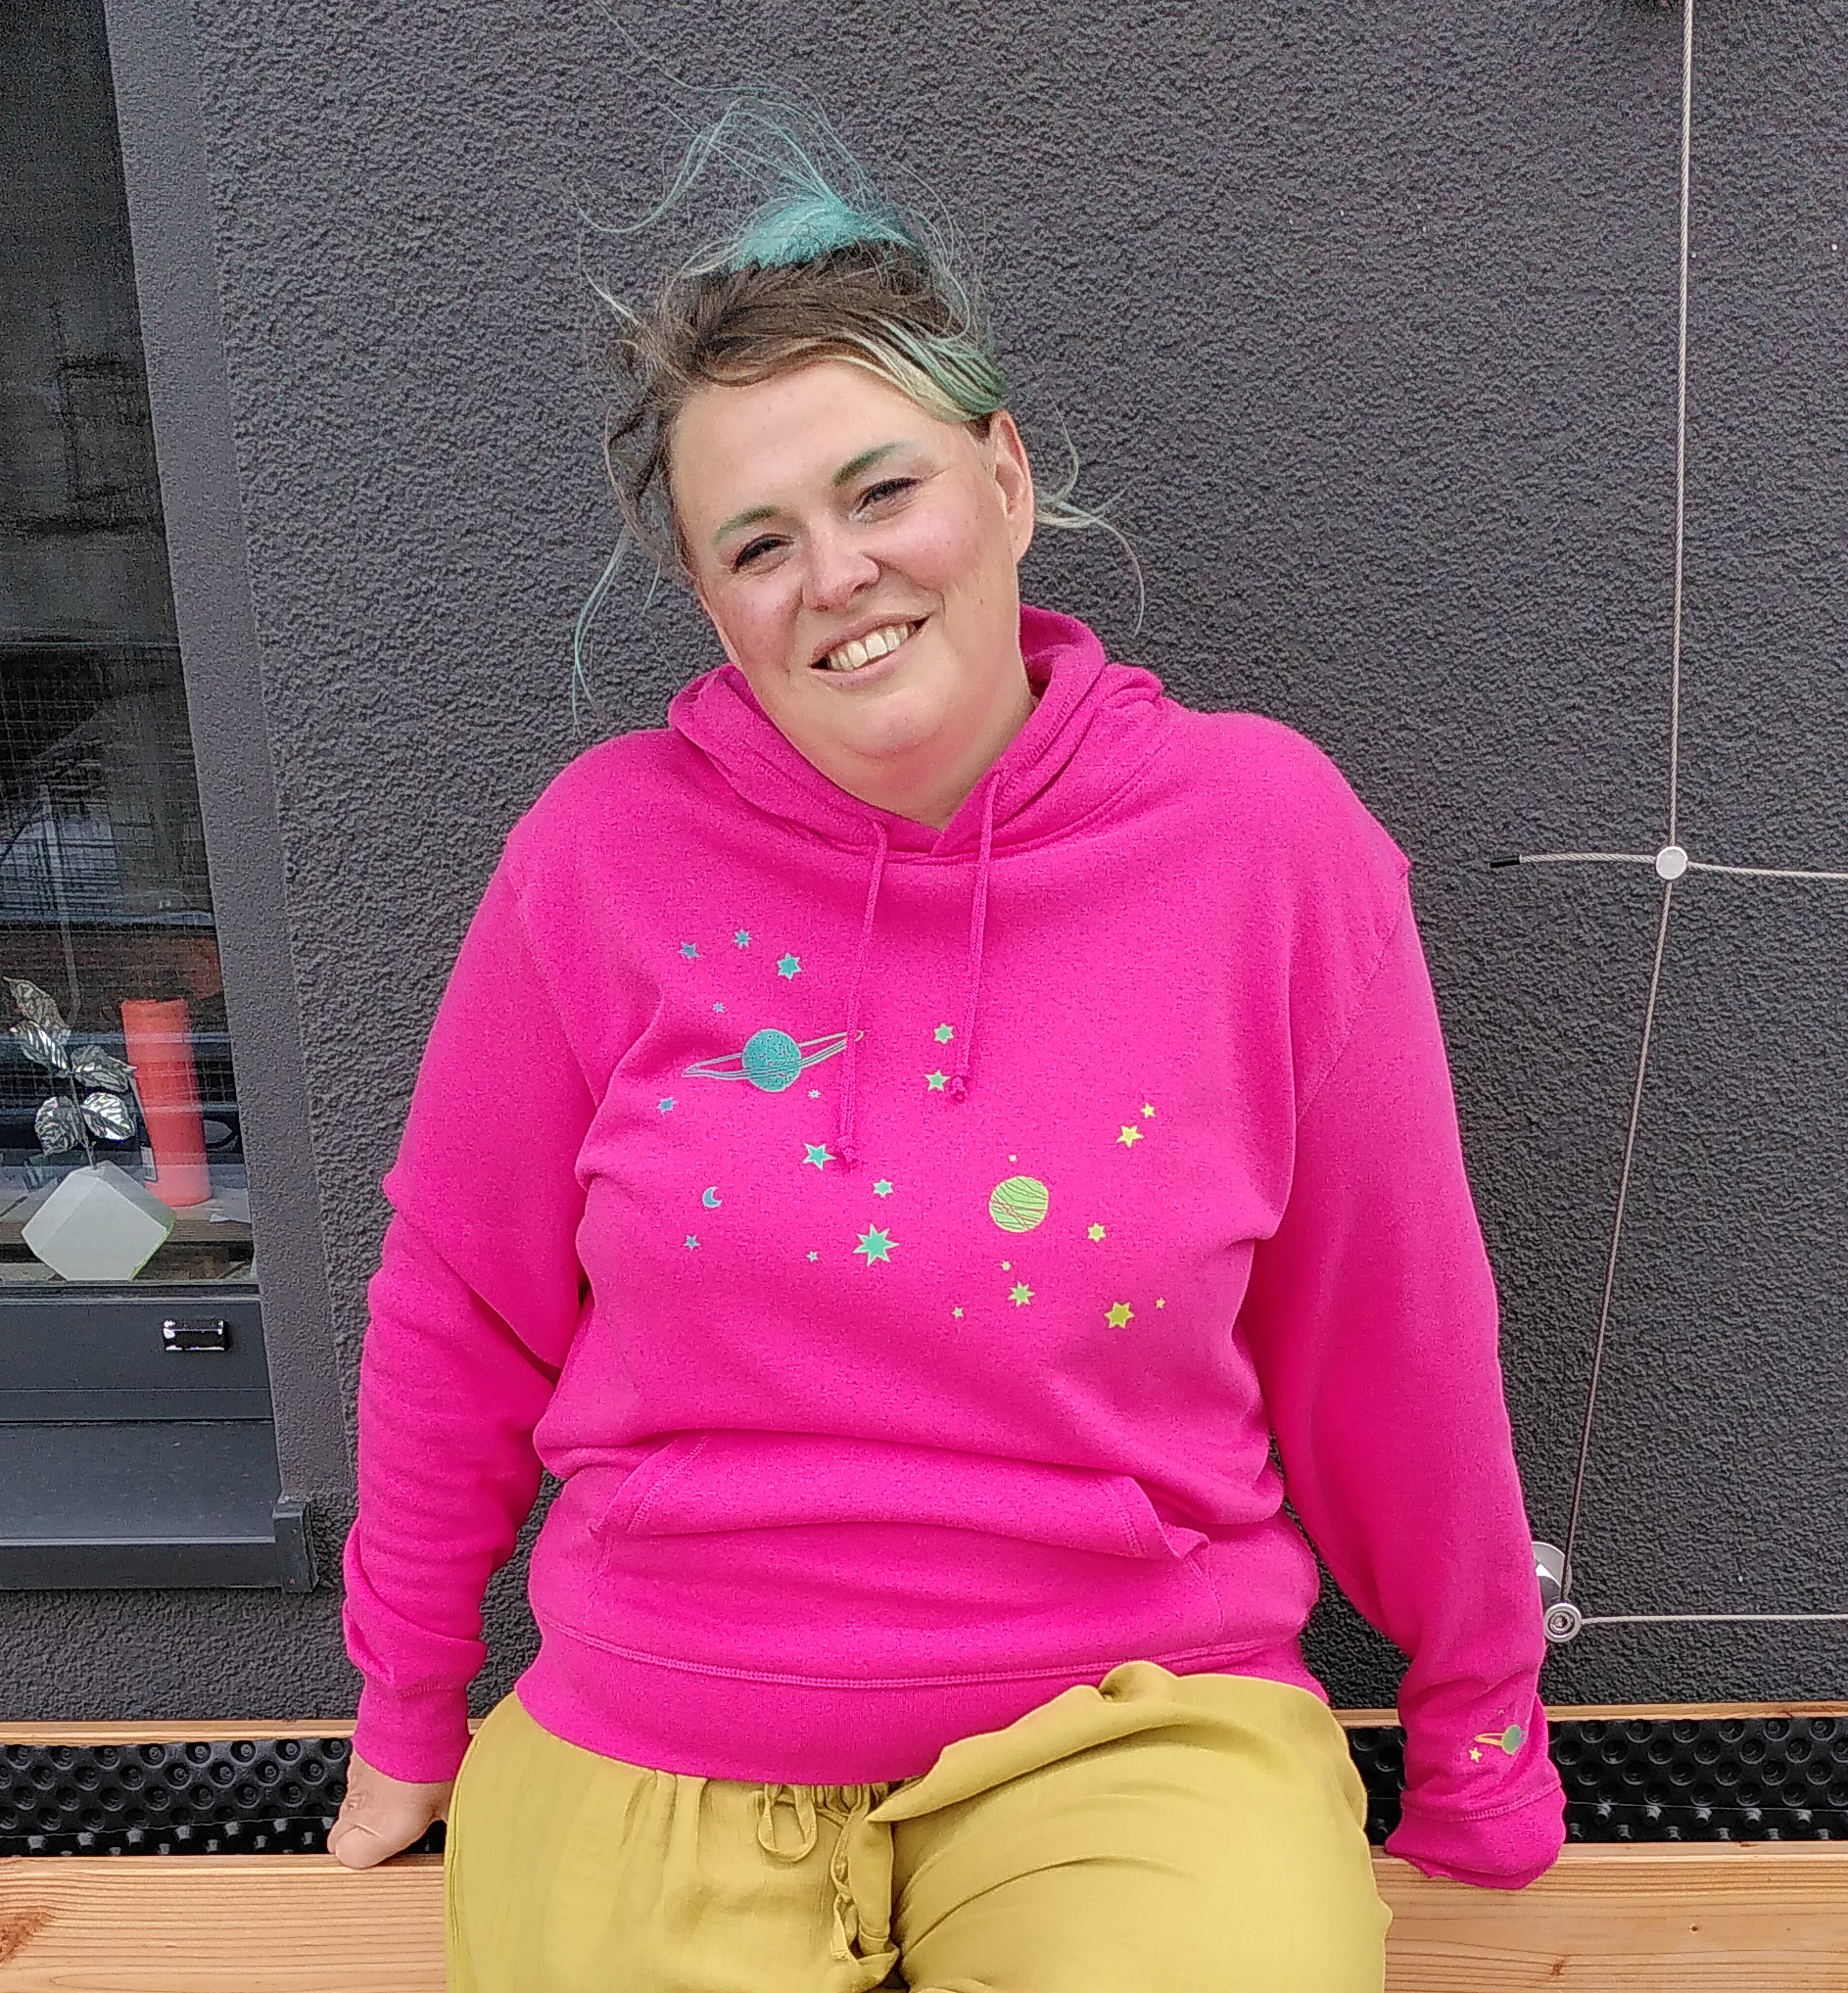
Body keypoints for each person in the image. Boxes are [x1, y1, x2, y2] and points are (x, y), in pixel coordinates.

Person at [328, 114, 1565, 1993]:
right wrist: (411, 1703)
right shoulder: (597, 859)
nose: (835, 573)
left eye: (879, 490)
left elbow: (1391, 1330)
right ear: (711, 602)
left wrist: (1477, 1728)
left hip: (1138, 1724)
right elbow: (457, 1311)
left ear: (1002, 477)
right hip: (661, 1722)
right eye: (758, 543)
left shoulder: (1263, 843)